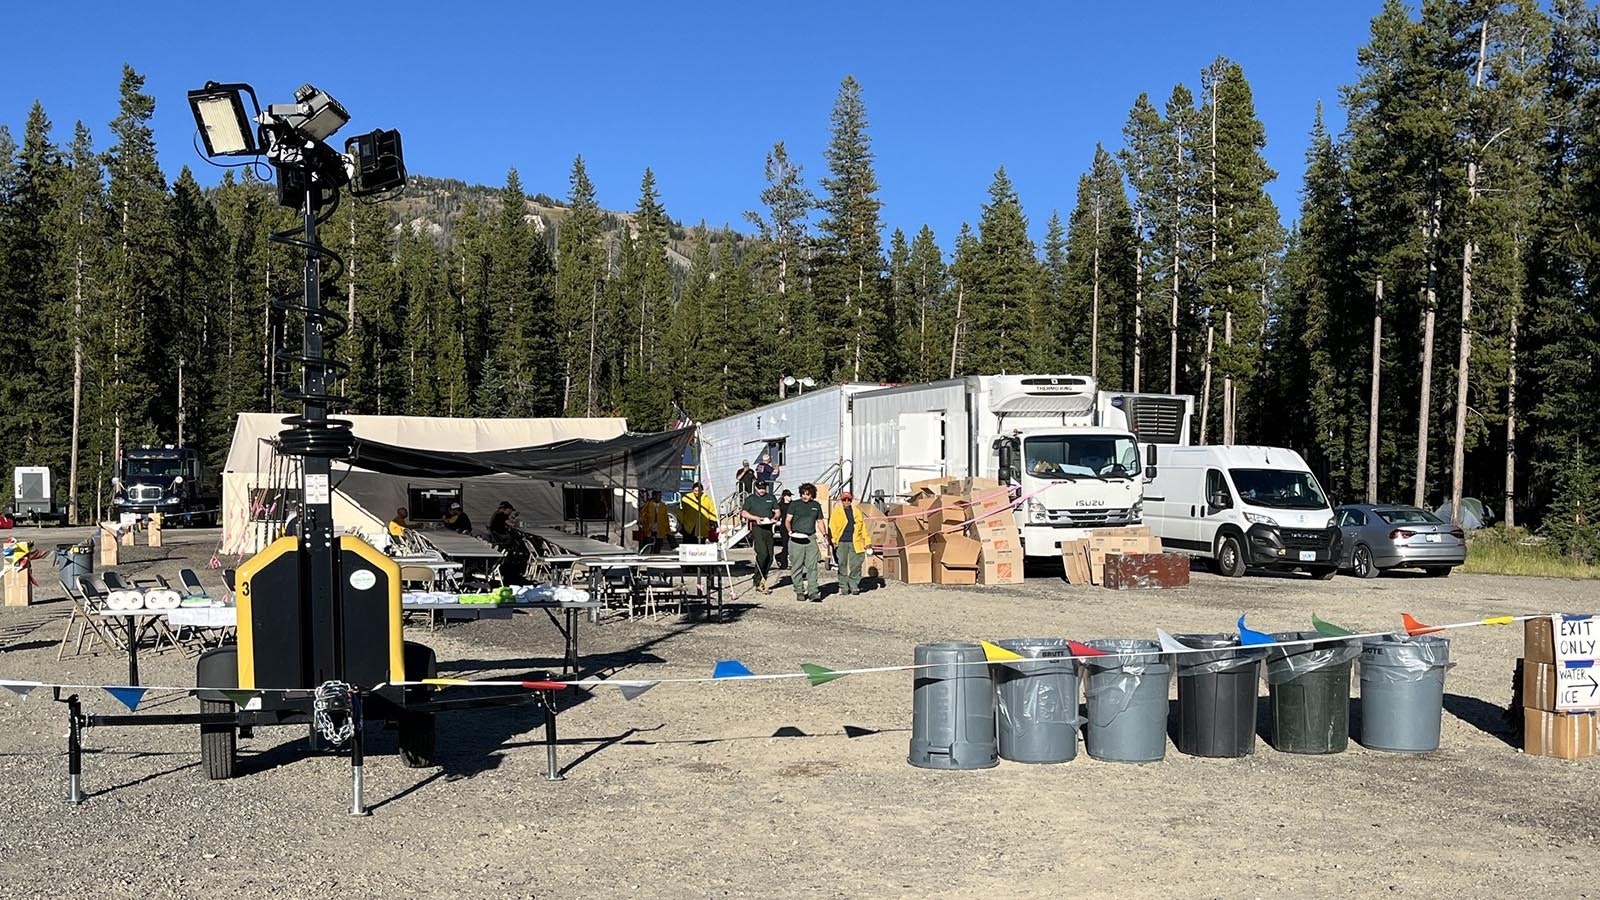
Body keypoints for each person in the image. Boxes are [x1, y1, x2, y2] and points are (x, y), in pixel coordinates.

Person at [784, 482, 826, 602]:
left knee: (812, 566)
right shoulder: (795, 505)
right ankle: (799, 590)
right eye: (803, 494)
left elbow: (820, 521)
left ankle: (813, 591)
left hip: (810, 538)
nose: (805, 496)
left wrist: (825, 535)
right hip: (796, 538)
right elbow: (787, 520)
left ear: (812, 494)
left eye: (807, 494)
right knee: (797, 566)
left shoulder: (816, 505)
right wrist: (789, 531)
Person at [740, 481, 780, 593]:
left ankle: (763, 578)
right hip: (757, 527)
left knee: (770, 556)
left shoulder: (770, 498)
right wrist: (755, 518)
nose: (762, 490)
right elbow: (744, 513)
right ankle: (757, 579)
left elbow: (777, 511)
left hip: (768, 527)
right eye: (760, 488)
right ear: (756, 488)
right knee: (762, 553)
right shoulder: (751, 499)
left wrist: (775, 517)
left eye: (763, 488)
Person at [828, 491, 869, 596]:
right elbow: (832, 527)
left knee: (857, 563)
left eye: (848, 500)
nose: (846, 502)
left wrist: (867, 541)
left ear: (851, 500)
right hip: (841, 541)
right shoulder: (836, 512)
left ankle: (854, 584)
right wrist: (833, 541)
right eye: (844, 500)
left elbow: (863, 527)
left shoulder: (857, 512)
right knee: (842, 564)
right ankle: (843, 586)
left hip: (855, 541)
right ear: (841, 501)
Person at [775, 489, 793, 569]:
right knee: (786, 545)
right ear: (784, 496)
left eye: (790, 496)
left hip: (792, 526)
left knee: (791, 546)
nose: (790, 497)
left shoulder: (793, 504)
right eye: (788, 496)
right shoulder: (780, 505)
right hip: (784, 527)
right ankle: (783, 564)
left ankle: (780, 556)